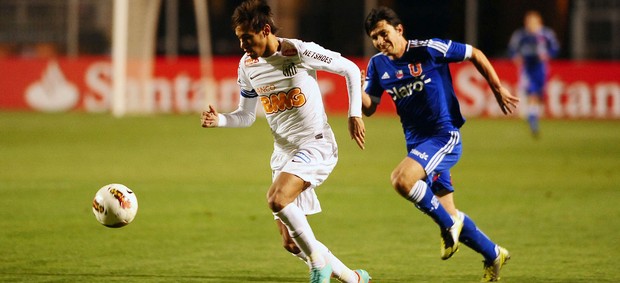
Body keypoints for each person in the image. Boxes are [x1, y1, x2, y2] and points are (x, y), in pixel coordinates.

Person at [200, 1, 371, 282]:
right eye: (239, 38)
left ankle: (318, 265)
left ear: (265, 30)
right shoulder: (247, 65)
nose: (242, 44)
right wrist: (219, 119)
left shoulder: (297, 51)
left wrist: (355, 115)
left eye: (247, 38)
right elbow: (246, 115)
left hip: (315, 145)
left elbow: (351, 69)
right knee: (291, 243)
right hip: (284, 154)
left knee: (276, 198)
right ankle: (353, 278)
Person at [361, 7, 519, 282]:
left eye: (384, 33)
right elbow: (370, 107)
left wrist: (497, 88)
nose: (379, 41)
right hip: (417, 146)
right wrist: (353, 86)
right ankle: (493, 254)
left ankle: (449, 225)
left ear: (399, 30)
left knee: (402, 180)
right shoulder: (377, 65)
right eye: (374, 37)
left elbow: (475, 53)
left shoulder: (429, 49)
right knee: (448, 209)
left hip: (444, 137)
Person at [508, 10, 560, 138]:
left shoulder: (546, 34)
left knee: (538, 96)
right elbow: (512, 49)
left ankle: (532, 116)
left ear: (538, 22)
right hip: (527, 68)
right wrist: (516, 57)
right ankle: (532, 122)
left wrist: (548, 55)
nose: (530, 24)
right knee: (531, 93)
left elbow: (555, 48)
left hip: (541, 68)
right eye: (528, 22)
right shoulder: (520, 35)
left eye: (533, 22)